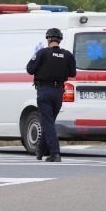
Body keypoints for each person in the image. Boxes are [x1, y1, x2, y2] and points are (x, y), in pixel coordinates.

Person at [26, 28, 76, 162]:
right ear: (60, 40)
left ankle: (55, 153)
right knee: (49, 122)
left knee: (47, 123)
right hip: (59, 92)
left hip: (44, 91)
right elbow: (72, 73)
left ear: (48, 39)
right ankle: (40, 151)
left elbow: (29, 69)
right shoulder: (68, 55)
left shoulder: (42, 53)